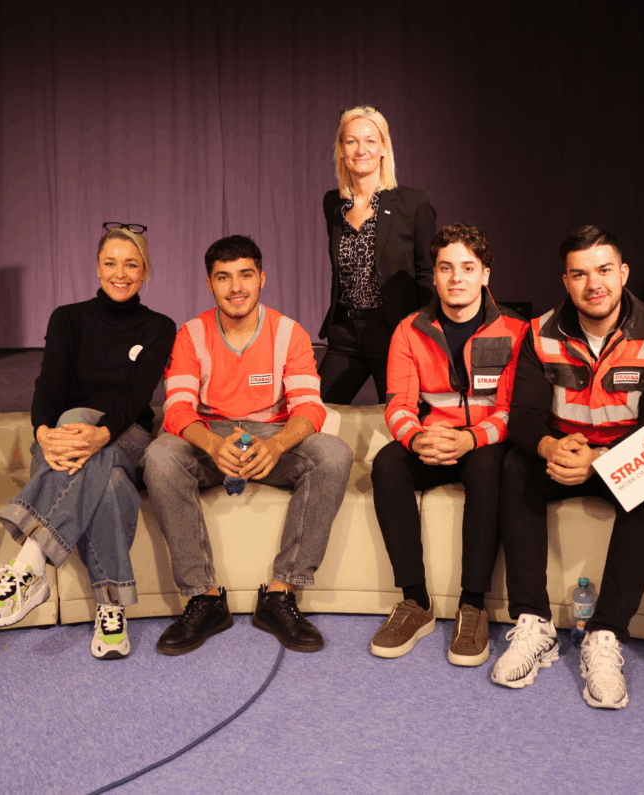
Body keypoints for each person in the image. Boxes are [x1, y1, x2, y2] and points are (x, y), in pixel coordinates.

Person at [492, 225, 644, 709]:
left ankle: (605, 635)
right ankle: (533, 624)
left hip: (623, 460)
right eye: (579, 274)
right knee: (514, 466)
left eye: (603, 270)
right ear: (566, 280)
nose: (593, 283)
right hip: (565, 453)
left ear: (623, 273)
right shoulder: (539, 333)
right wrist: (552, 448)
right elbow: (525, 418)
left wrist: (599, 462)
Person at [0, 223, 175, 659]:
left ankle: (29, 565)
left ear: (146, 272)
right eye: (110, 263)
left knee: (84, 420)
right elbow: (49, 383)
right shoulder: (68, 317)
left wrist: (101, 432)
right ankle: (111, 608)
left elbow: (135, 397)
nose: (120, 273)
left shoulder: (160, 326)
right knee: (113, 485)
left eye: (131, 264)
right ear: (97, 268)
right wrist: (43, 432)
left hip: (127, 436)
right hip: (62, 441)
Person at [143, 235, 353, 655]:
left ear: (261, 279)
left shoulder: (289, 332)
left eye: (245, 275)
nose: (235, 287)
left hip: (270, 442)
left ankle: (280, 595)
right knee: (159, 456)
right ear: (210, 284)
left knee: (334, 453)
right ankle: (204, 598)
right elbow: (177, 408)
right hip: (211, 440)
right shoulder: (191, 334)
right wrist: (211, 444)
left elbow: (310, 408)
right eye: (224, 277)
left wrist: (275, 446)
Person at [370, 223, 527, 665]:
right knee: (386, 464)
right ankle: (415, 602)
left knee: (487, 467)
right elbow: (397, 404)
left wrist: (470, 438)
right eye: (445, 268)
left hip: (484, 443)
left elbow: (514, 411)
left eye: (467, 267)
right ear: (434, 277)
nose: (456, 277)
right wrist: (418, 437)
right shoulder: (408, 330)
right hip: (433, 440)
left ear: (485, 275)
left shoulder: (517, 330)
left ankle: (472, 605)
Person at [317, 105, 437, 404]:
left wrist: (421, 333)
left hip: (394, 333)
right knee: (313, 415)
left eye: (370, 140)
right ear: (341, 150)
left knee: (401, 419)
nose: (361, 149)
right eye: (351, 141)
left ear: (384, 148)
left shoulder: (412, 203)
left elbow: (428, 273)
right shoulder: (333, 202)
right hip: (346, 333)